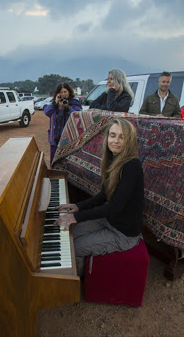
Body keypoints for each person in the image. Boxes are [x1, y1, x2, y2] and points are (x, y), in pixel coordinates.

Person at [55, 118, 144, 276]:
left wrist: (76, 216)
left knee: (76, 246)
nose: (115, 141)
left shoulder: (132, 166)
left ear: (129, 141)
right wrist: (79, 206)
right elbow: (103, 196)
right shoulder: (113, 159)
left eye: (121, 137)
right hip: (110, 220)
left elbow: (113, 206)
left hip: (123, 233)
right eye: (112, 135)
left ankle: (77, 283)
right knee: (71, 234)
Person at [44, 82, 82, 163]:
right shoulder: (55, 104)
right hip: (55, 137)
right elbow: (47, 112)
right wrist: (55, 103)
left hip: (68, 137)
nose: (63, 94)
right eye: (61, 92)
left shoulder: (74, 102)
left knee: (66, 160)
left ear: (69, 92)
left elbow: (77, 115)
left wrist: (68, 107)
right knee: (54, 160)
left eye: (65, 92)